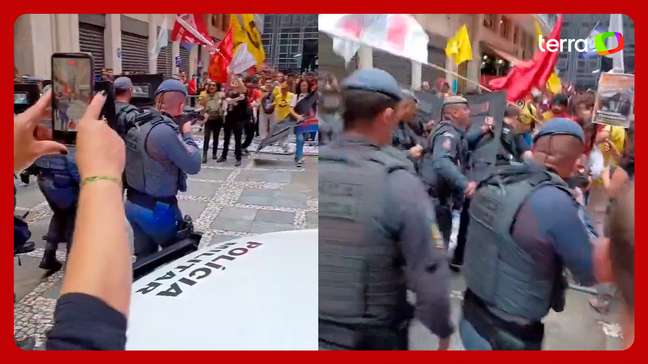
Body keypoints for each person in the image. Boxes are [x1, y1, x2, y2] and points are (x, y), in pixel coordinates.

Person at [319, 68, 453, 350]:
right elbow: (430, 274)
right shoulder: (398, 183)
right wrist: (442, 329)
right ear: (387, 116)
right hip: (369, 337)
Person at [460, 118, 598, 350]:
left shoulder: (497, 177)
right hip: (510, 339)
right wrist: (580, 210)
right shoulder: (558, 204)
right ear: (577, 163)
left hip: (470, 319)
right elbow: (589, 272)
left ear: (534, 150)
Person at [16, 91, 130, 349]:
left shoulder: (46, 133)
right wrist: (103, 179)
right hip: (66, 188)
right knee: (76, 226)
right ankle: (73, 267)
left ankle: (47, 255)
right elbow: (88, 331)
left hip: (47, 185)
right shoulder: (74, 142)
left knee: (58, 216)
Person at [124, 79, 201, 261]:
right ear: (182, 104)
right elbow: (193, 165)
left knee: (144, 260)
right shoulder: (164, 131)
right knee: (178, 259)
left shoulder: (138, 121)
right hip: (158, 210)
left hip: (133, 204)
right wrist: (188, 134)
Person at [419, 96, 478, 248]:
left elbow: (463, 144)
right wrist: (465, 185)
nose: (469, 112)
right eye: (465, 109)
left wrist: (483, 132)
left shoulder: (454, 134)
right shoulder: (447, 134)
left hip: (438, 203)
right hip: (434, 204)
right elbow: (442, 162)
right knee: (436, 250)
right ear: (454, 113)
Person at [218, 77, 248, 167]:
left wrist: (234, 101)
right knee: (226, 139)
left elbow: (242, 103)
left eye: (236, 82)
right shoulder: (228, 94)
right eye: (233, 82)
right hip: (228, 119)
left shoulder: (243, 95)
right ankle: (224, 156)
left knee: (237, 140)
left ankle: (238, 158)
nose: (234, 83)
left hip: (238, 120)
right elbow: (225, 103)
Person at [391, 90, 425, 169]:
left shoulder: (403, 124)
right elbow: (382, 153)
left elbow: (416, 139)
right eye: (413, 109)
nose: (415, 113)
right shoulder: (388, 125)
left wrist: (419, 145)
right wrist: (408, 154)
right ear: (406, 107)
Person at [199, 81, 225, 163]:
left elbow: (225, 97)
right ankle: (204, 155)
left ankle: (214, 153)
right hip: (209, 119)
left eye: (214, 85)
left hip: (218, 119)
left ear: (216, 87)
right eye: (210, 85)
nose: (212, 87)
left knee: (216, 137)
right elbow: (202, 107)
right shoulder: (204, 96)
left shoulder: (220, 94)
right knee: (206, 137)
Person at [293, 79, 317, 167]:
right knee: (299, 139)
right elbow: (291, 109)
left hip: (308, 122)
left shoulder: (312, 97)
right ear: (299, 86)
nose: (303, 87)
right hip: (297, 122)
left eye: (305, 85)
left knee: (303, 139)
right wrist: (297, 116)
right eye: (302, 85)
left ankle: (297, 154)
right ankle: (299, 157)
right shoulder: (296, 97)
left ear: (308, 86)